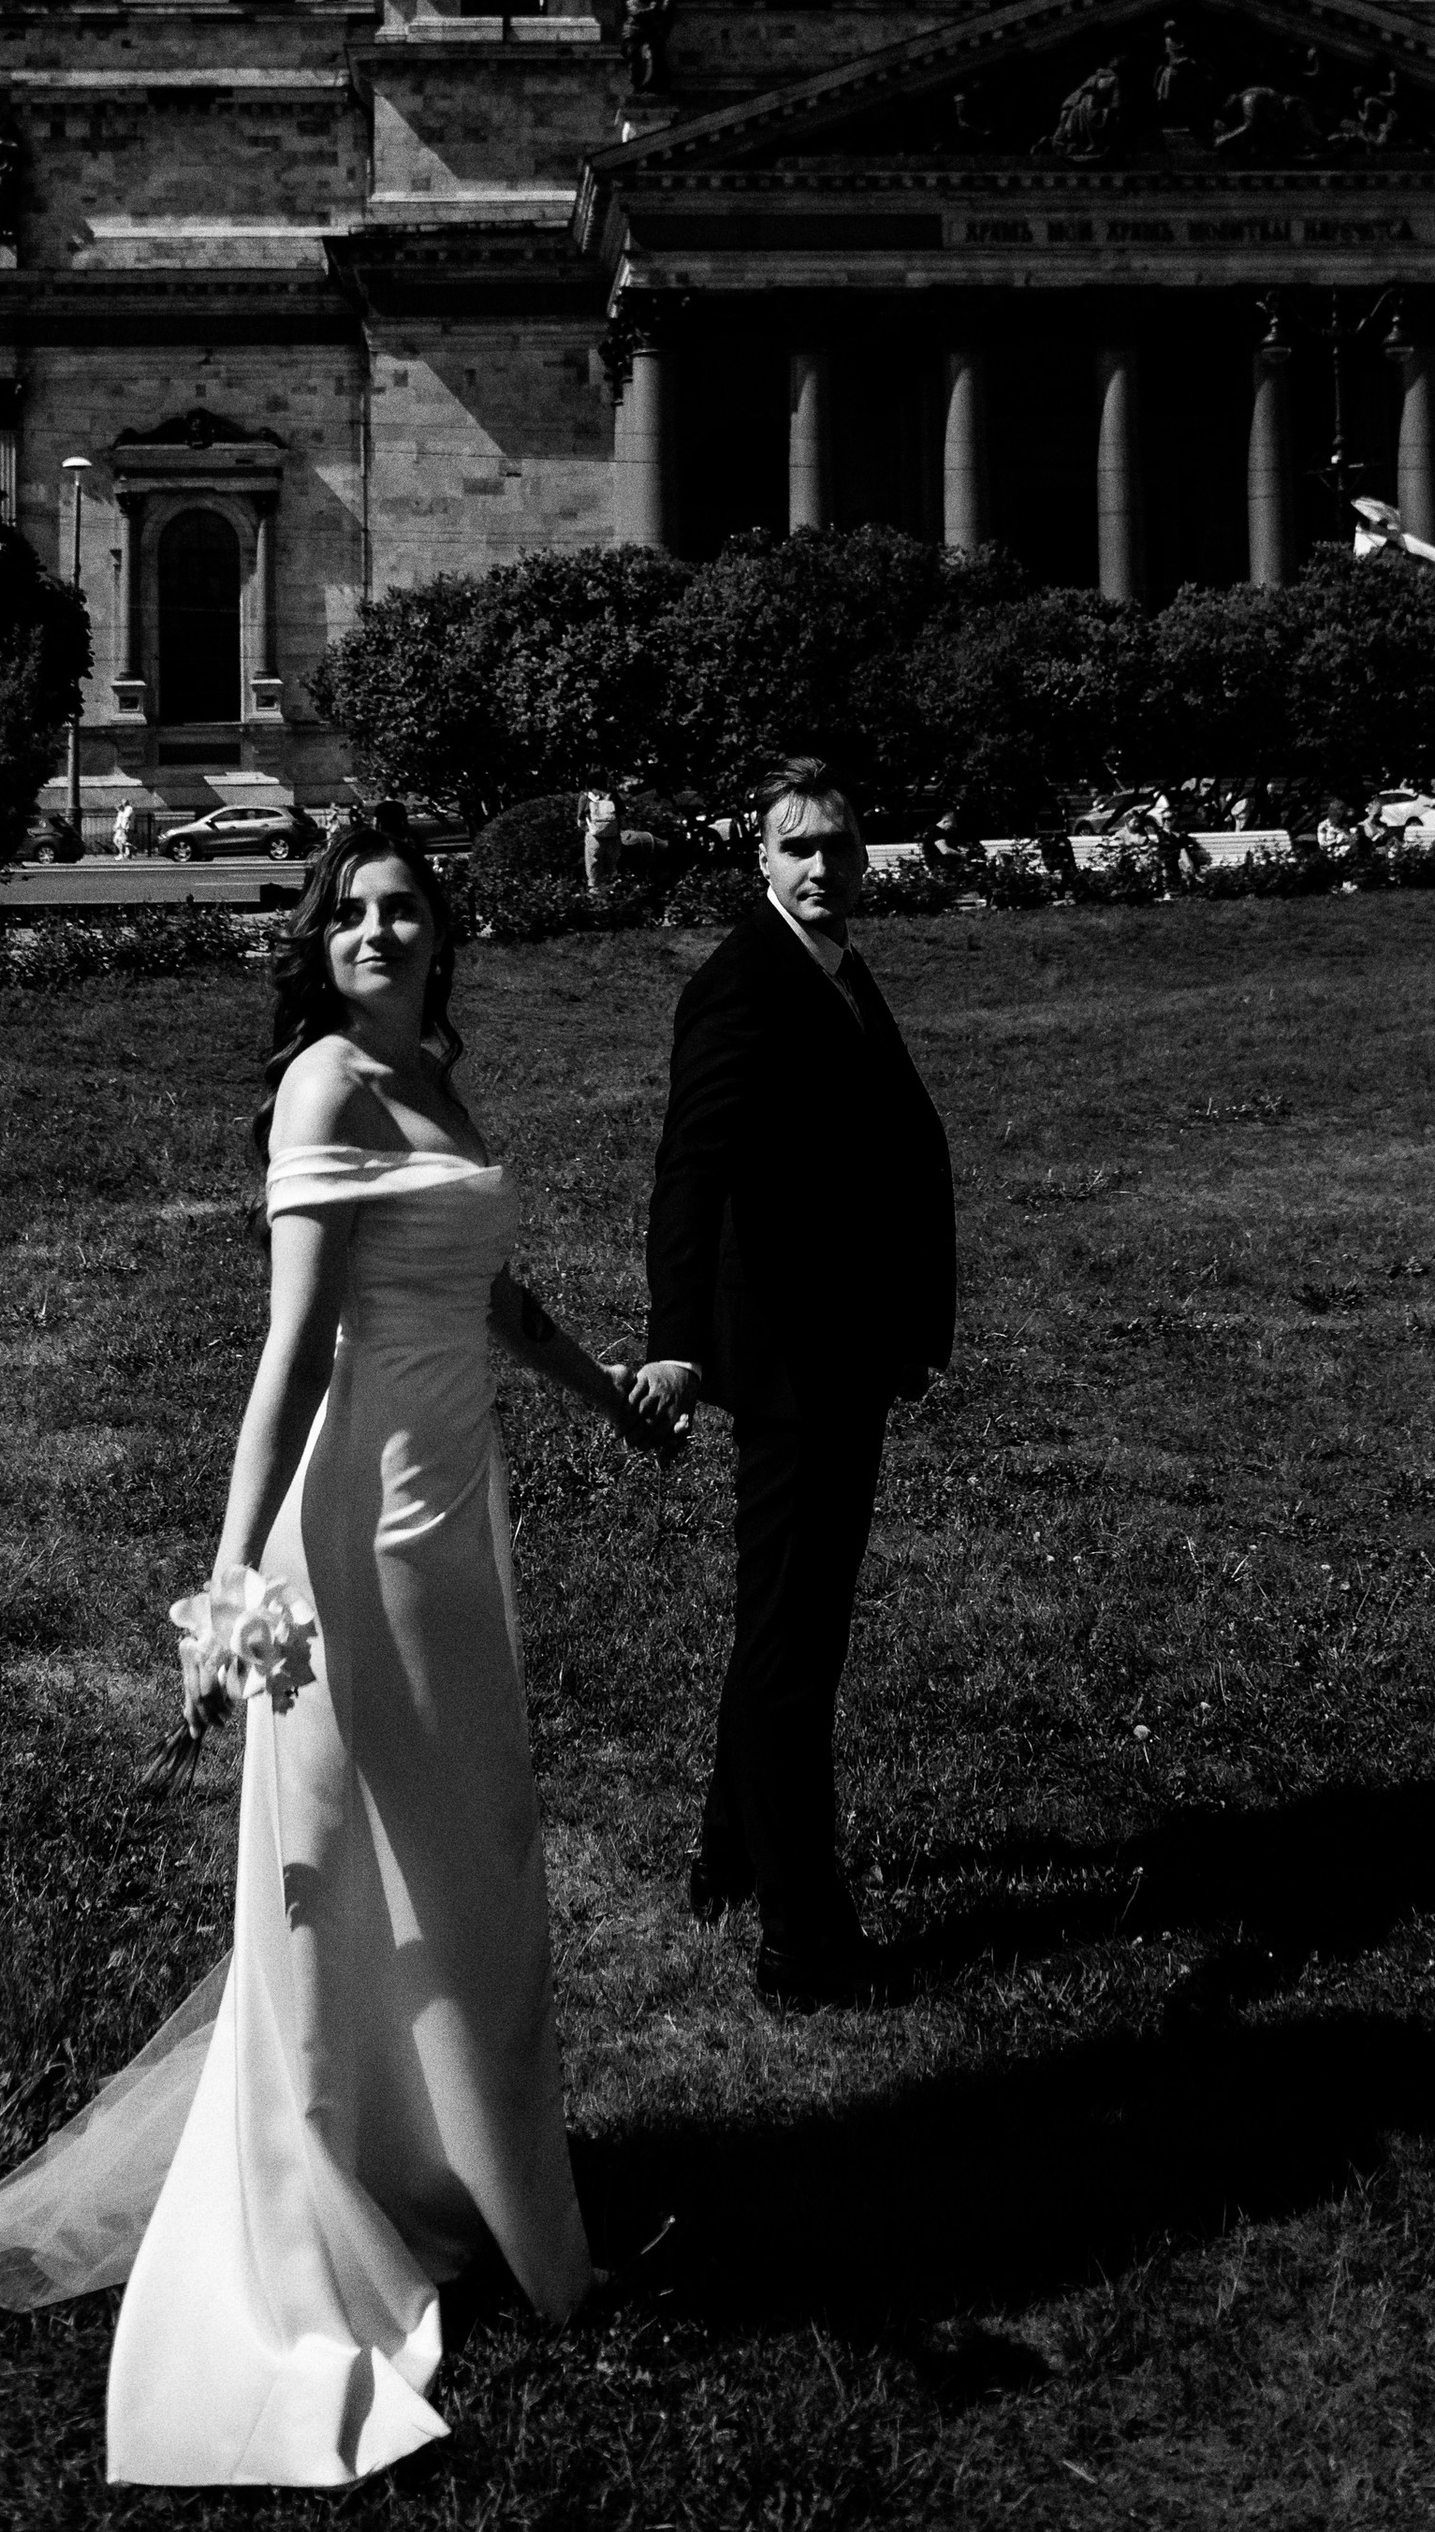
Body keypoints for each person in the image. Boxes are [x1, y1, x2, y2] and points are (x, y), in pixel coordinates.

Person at [0, 819, 668, 2484]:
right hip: (367, 1545)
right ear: (321, 947)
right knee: (404, 1873)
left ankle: (443, 2173)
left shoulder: (438, 1082)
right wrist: (230, 1572)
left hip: (460, 1530)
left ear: (445, 940)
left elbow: (491, 1292)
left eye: (404, 908)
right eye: (350, 914)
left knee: (467, 1869)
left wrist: (613, 1396)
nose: (378, 930)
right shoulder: (329, 1084)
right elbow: (292, 1347)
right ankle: (398, 2198)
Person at [628, 760, 955, 2009]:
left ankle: (726, 1858)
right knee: (790, 1652)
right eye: (798, 847)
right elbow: (689, 1172)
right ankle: (800, 1939)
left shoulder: (829, 964)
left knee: (790, 1626)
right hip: (790, 1368)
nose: (823, 867)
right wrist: (671, 1337)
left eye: (840, 845)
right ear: (757, 859)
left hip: (847, 1351)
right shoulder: (740, 986)